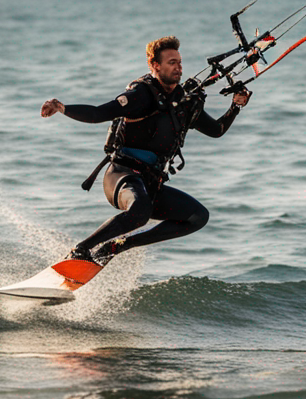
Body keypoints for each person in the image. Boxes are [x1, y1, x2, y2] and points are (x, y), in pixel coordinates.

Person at [40, 36, 251, 264]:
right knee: (140, 210)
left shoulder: (183, 104)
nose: (178, 67)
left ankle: (120, 245)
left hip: (151, 183)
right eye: (171, 62)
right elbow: (98, 113)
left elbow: (217, 130)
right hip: (122, 176)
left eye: (179, 62)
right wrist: (62, 108)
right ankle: (81, 250)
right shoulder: (141, 95)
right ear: (155, 65)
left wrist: (236, 106)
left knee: (198, 216)